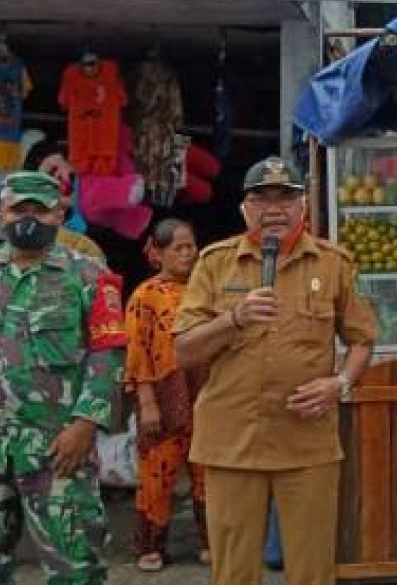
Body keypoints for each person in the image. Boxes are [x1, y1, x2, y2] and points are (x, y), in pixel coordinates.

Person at [173, 156, 376, 585]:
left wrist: (339, 383)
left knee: (313, 569)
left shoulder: (333, 263)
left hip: (307, 441)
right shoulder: (214, 263)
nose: (274, 209)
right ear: (245, 209)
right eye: (261, 199)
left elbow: (362, 340)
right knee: (234, 571)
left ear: (303, 206)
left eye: (286, 198)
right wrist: (234, 318)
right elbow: (184, 351)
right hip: (232, 441)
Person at [0, 171, 127, 582]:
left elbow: (107, 354)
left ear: (60, 215)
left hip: (58, 444)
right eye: (20, 209)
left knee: (75, 568)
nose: (29, 218)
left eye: (41, 210)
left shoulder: (88, 274)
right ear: (3, 212)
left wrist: (85, 424)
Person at [124, 219, 208, 571]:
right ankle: (150, 546)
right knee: (157, 475)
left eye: (191, 246)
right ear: (157, 253)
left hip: (204, 392)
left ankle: (212, 542)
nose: (187, 254)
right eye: (178, 248)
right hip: (161, 394)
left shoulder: (206, 290)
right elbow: (136, 352)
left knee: (208, 473)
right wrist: (146, 403)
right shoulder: (145, 295)